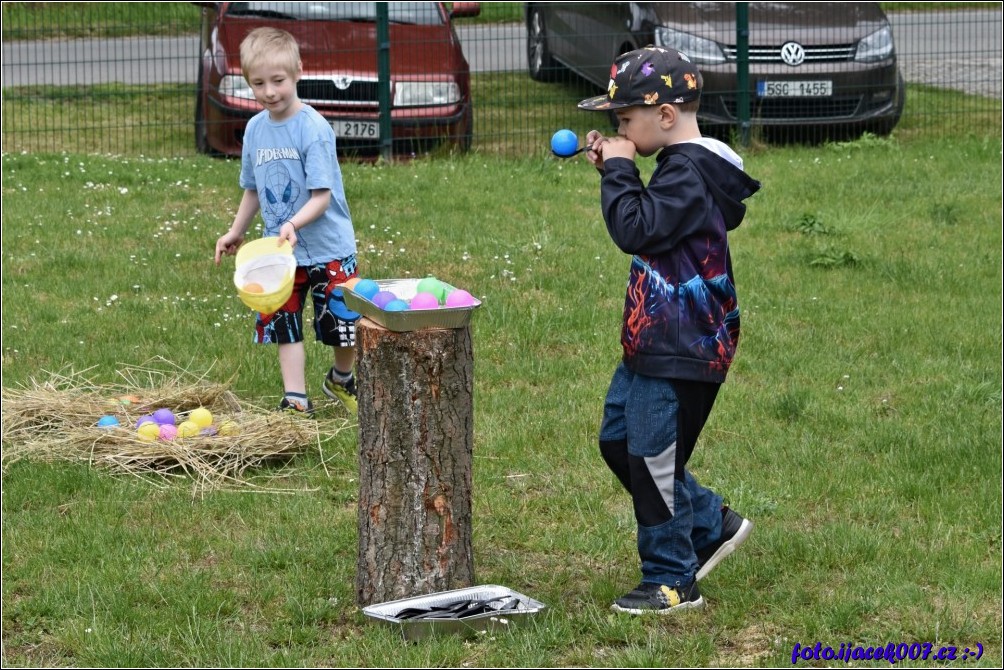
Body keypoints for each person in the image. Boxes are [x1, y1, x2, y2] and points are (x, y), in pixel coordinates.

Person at [577, 46, 761, 614]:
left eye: (625, 120)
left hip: (683, 345)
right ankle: (707, 522)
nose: (620, 131)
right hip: (654, 340)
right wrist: (617, 169)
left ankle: (672, 579)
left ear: (664, 115)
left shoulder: (689, 172)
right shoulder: (679, 167)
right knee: (619, 442)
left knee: (653, 459)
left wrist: (620, 170)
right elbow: (651, 222)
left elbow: (636, 229)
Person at [214, 27, 359, 415]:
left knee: (342, 324)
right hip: (279, 252)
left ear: (298, 71)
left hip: (329, 247)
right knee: (284, 321)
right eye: (258, 83)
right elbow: (253, 189)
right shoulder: (255, 130)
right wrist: (236, 231)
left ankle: (341, 377)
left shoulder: (313, 129)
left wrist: (293, 223)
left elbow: (321, 197)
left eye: (277, 81)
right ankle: (296, 398)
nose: (269, 92)